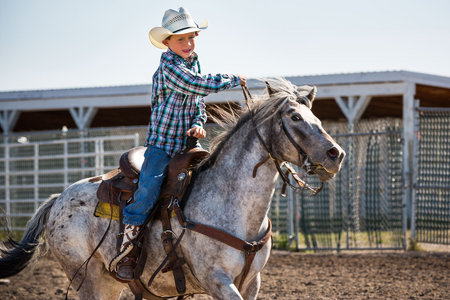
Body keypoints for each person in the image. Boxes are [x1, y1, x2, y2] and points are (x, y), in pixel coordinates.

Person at [110, 7, 247, 280]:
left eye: (191, 38)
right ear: (167, 43)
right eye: (180, 39)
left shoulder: (193, 62)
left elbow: (197, 103)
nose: (187, 44)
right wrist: (232, 79)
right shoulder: (170, 68)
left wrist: (198, 122)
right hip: (162, 146)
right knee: (149, 188)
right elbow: (195, 86)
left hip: (184, 146)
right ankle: (129, 248)